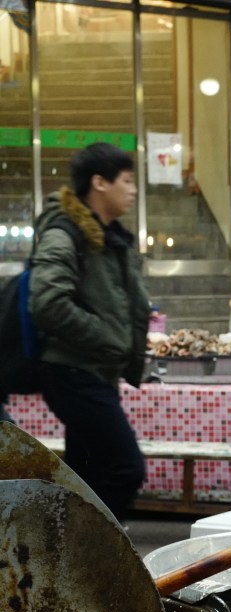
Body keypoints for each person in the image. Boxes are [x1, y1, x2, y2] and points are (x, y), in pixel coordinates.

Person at [28, 142, 150, 522]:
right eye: (126, 181)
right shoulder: (65, 233)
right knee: (125, 467)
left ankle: (62, 550)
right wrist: (111, 338)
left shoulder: (108, 236)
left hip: (95, 370)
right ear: (99, 183)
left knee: (86, 478)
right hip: (73, 371)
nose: (133, 190)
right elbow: (47, 302)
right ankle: (84, 545)